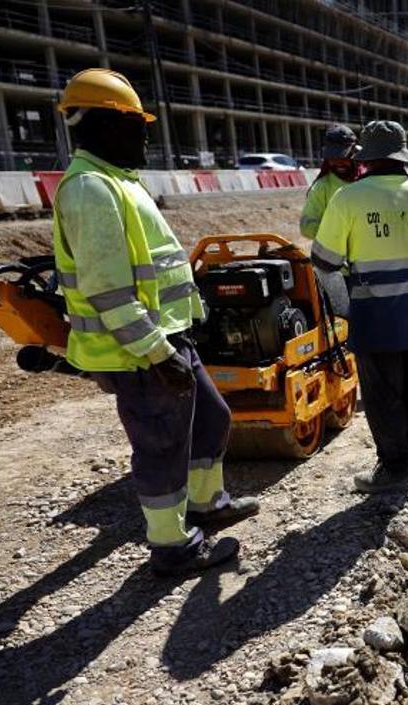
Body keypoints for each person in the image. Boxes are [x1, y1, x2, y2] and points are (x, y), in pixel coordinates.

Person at [53, 69, 258, 576]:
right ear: (104, 124)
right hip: (139, 350)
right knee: (162, 445)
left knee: (212, 419)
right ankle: (172, 547)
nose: (145, 135)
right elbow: (109, 291)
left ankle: (208, 505)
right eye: (135, 125)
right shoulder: (92, 189)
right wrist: (155, 352)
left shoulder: (119, 182)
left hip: (166, 338)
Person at [311, 121, 408, 493]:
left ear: (366, 158)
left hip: (374, 316)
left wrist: (344, 307)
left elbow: (323, 261)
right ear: (402, 156)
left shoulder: (349, 199)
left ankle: (394, 467)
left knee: (383, 393)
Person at [300, 124, 359, 240]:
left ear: (354, 153)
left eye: (343, 157)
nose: (338, 163)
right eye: (333, 159)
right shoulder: (322, 187)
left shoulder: (368, 179)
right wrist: (339, 238)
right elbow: (307, 227)